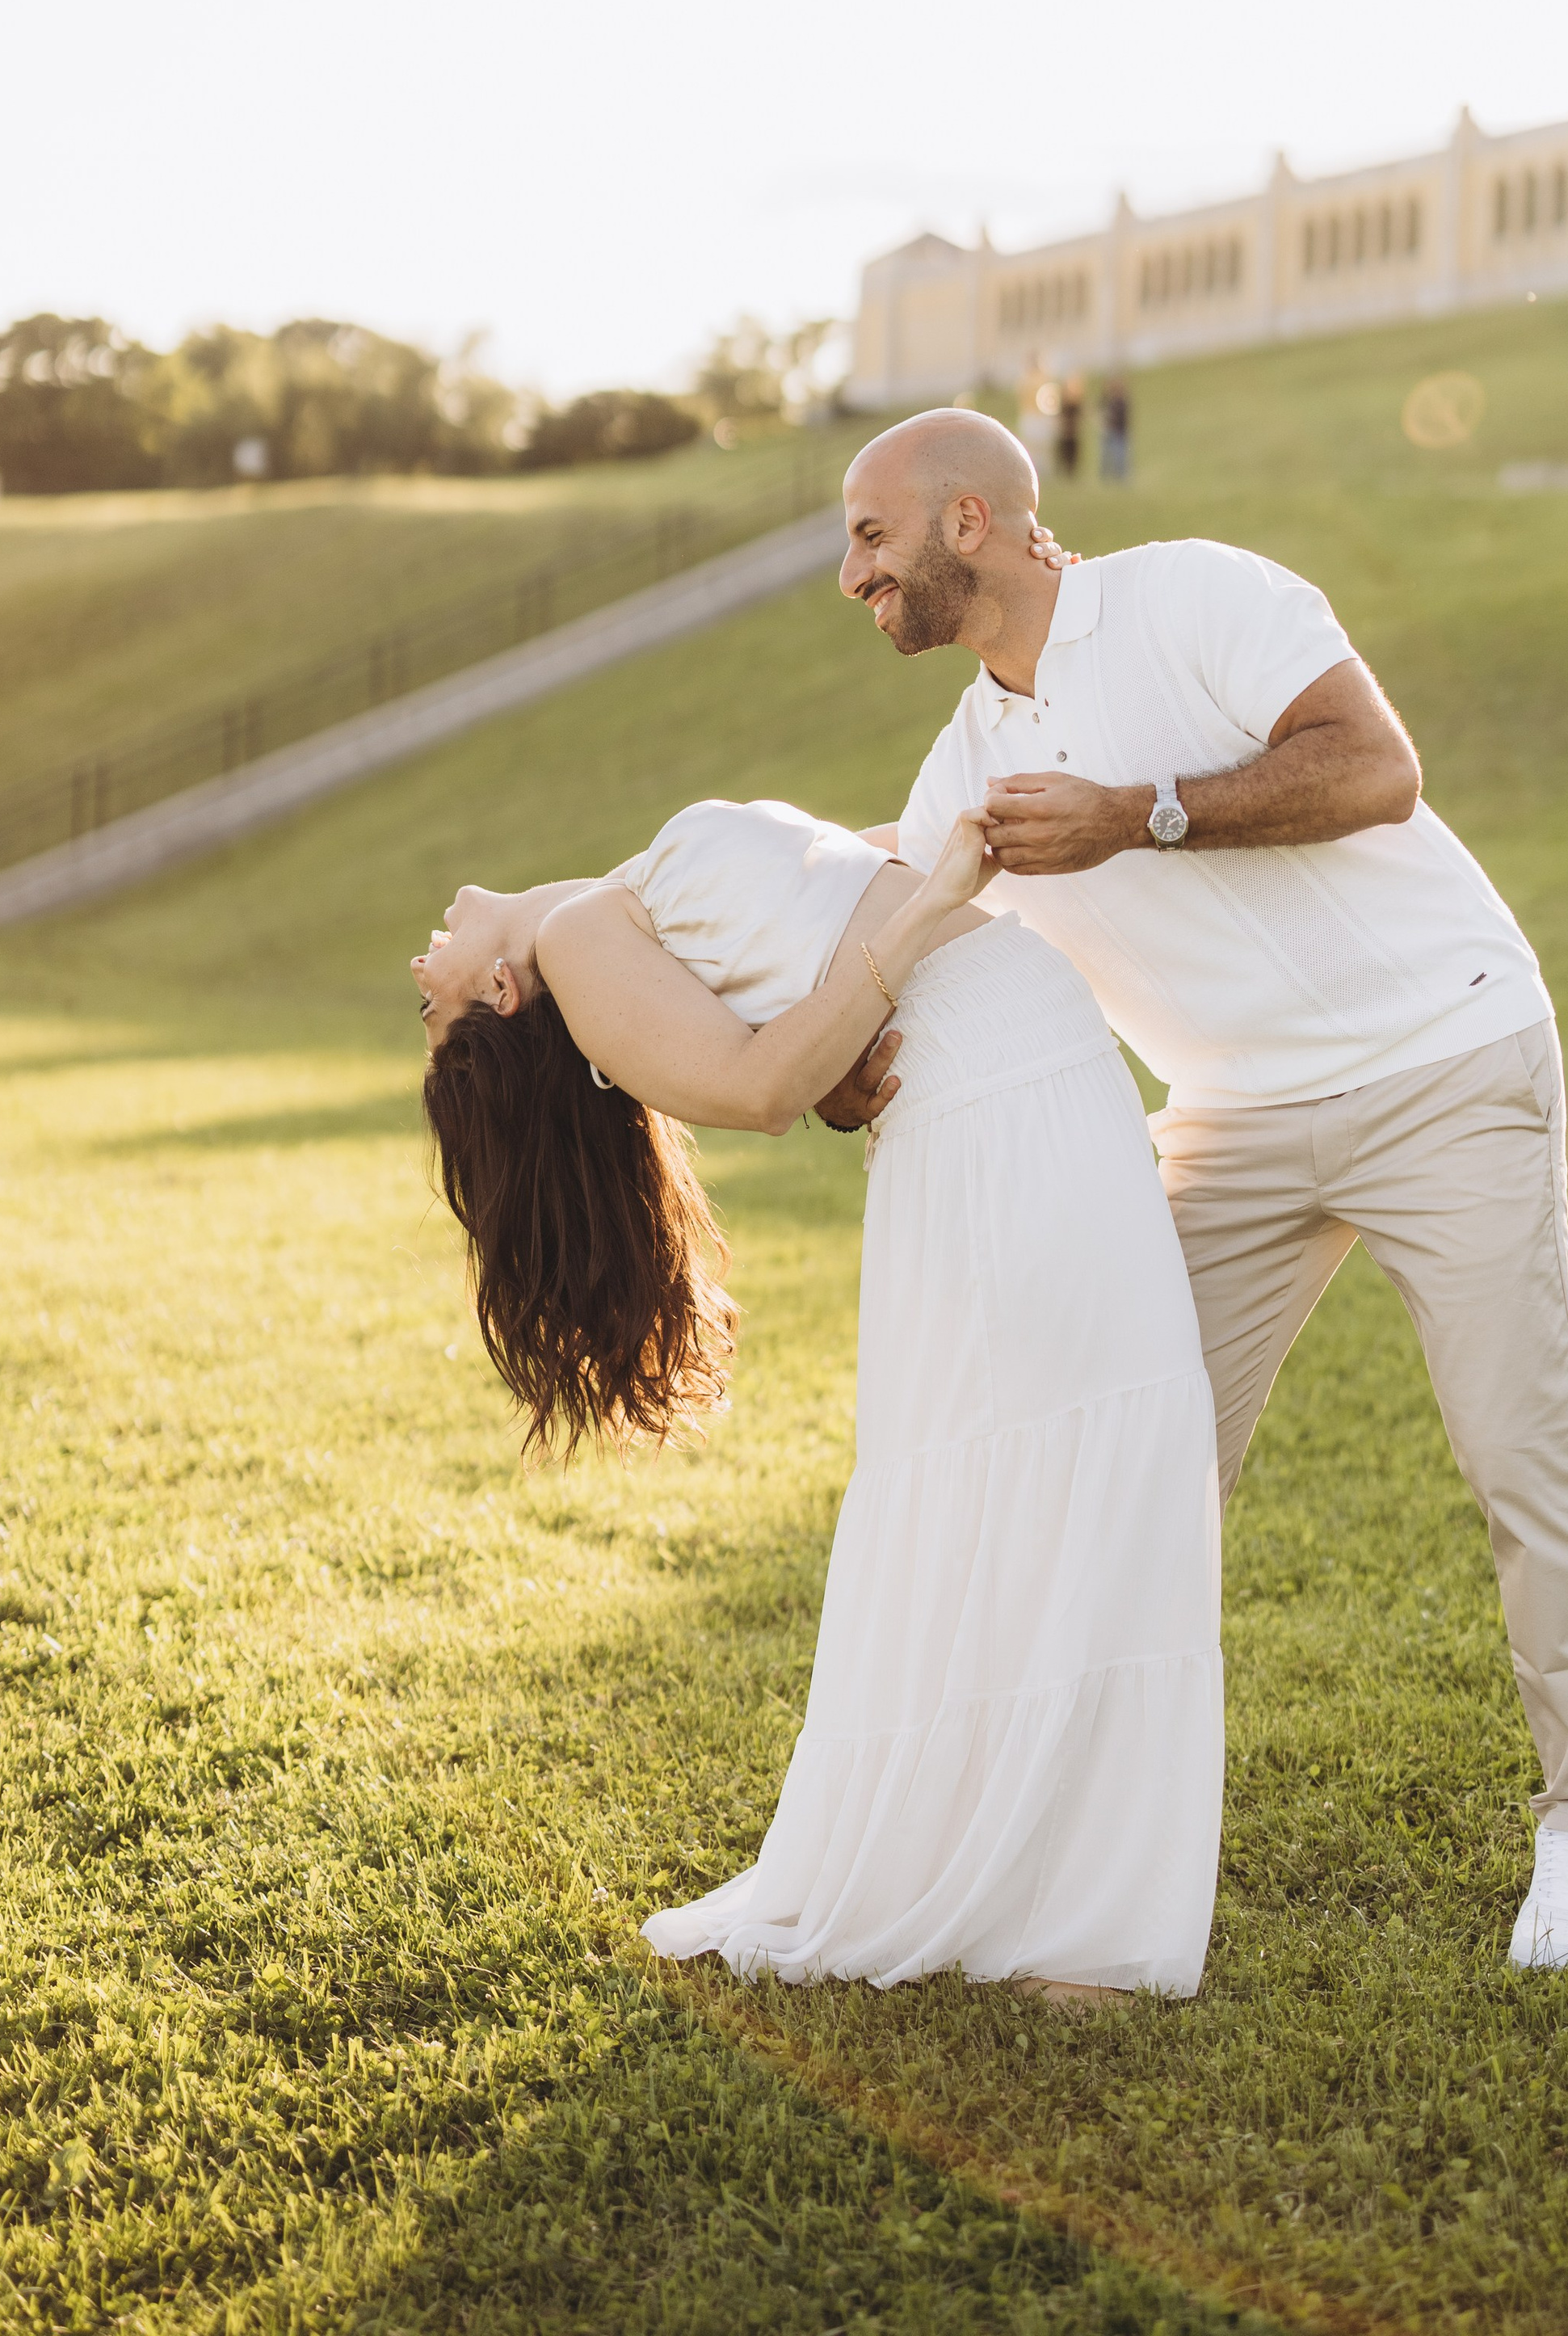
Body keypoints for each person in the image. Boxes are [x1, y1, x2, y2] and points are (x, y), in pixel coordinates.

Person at [824, 410, 1568, 1971]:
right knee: (1127, 1469)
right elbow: (893, 918)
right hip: (1229, 1123)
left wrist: (1138, 815)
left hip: (1445, 1055)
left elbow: (1377, 769)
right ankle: (1077, 1840)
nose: (851, 573)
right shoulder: (964, 765)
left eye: (871, 536)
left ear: (968, 523)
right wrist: (836, 1057)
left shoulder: (1194, 595)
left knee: (1518, 1451)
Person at [412, 797, 1222, 2001]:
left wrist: (916, 889)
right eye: (430, 1010)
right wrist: (931, 905)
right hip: (996, 1081)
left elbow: (804, 976)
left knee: (1087, 1456)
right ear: (501, 990)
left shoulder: (613, 913)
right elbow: (760, 1086)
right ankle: (1064, 1917)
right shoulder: (574, 941)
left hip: (1029, 1053)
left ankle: (1062, 1889)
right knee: (1057, 1463)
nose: (416, 974)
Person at [1099, 378, 1131, 482]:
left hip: (1119, 432)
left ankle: (1120, 476)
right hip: (1109, 432)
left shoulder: (1121, 402)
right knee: (1106, 456)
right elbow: (1101, 408)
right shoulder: (1108, 401)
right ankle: (1106, 475)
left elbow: (1123, 417)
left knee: (1119, 456)